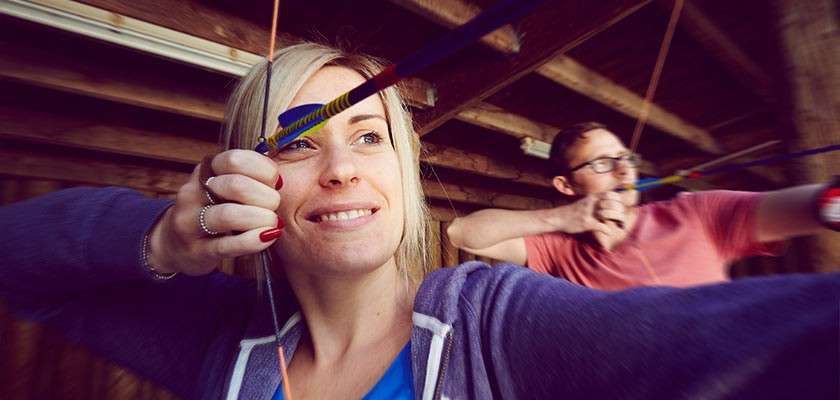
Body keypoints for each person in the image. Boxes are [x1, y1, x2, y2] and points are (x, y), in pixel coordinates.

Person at [1, 42, 838, 400]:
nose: (341, 168)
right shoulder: (224, 341)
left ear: (400, 167)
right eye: (298, 145)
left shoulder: (493, 324)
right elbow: (17, 262)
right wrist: (162, 241)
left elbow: (759, 342)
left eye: (369, 135)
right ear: (245, 181)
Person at [447, 122, 837, 289]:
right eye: (601, 163)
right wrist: (562, 218)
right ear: (566, 185)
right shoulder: (559, 246)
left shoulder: (696, 213)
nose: (622, 169)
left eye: (626, 158)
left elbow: (814, 206)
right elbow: (461, 233)